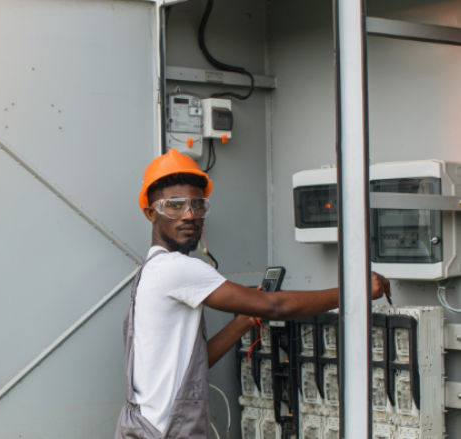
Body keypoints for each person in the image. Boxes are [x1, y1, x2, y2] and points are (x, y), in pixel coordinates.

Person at [115, 149, 391, 439]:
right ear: (150, 213)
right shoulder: (178, 269)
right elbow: (277, 305)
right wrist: (355, 291)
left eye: (198, 205)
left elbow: (194, 364)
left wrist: (244, 320)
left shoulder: (148, 272)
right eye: (174, 206)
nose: (190, 215)